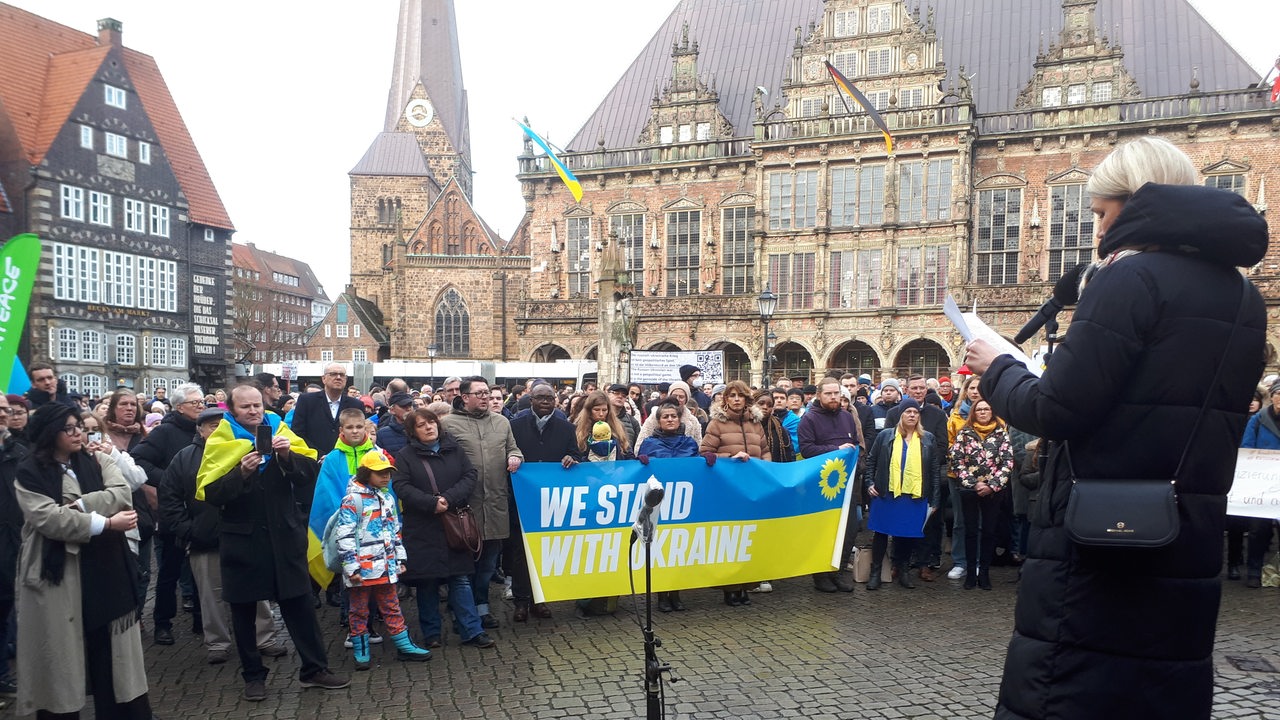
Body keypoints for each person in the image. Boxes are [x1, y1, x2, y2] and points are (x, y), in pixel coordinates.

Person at [964, 136, 1267, 720]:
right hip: (1183, 534)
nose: (1098, 233)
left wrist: (998, 368)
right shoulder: (1243, 297)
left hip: (1100, 540)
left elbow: (1057, 408)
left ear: (1137, 202)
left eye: (1102, 214)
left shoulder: (1131, 280)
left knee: (1067, 690)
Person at [197, 384, 348, 700]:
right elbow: (211, 494)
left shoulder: (281, 429)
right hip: (243, 541)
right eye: (245, 407)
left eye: (257, 405)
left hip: (284, 536)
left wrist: (286, 456)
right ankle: (253, 676)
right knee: (243, 612)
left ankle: (314, 669)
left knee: (301, 605)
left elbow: (308, 474)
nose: (253, 411)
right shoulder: (220, 441)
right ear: (232, 410)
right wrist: (241, 473)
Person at [14, 403, 151, 719]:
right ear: (51, 434)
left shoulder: (97, 459)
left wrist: (76, 506)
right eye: (71, 428)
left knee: (113, 659)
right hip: (58, 574)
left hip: (107, 572)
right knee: (60, 659)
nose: (79, 433)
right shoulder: (30, 471)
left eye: (81, 427)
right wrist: (105, 523)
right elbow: (48, 519)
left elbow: (121, 495)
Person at [158, 407, 282, 665]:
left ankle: (265, 638)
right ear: (200, 430)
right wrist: (187, 529)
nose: (216, 429)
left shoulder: (245, 449)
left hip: (244, 535)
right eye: (211, 425)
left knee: (255, 589)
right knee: (209, 594)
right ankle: (217, 643)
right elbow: (169, 496)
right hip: (205, 538)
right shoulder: (185, 457)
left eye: (221, 424)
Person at [393, 409, 495, 649]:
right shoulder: (405, 456)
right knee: (427, 582)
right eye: (421, 425)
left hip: (454, 524)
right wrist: (430, 504)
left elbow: (469, 476)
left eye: (431, 422)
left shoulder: (454, 449)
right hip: (422, 528)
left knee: (460, 579)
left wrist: (447, 499)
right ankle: (431, 633)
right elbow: (400, 485)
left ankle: (472, 630)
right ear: (412, 431)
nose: (429, 427)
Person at [438, 377, 522, 628]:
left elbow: (514, 449)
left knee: (487, 566)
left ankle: (482, 608)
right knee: (464, 566)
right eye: (480, 393)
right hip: (464, 508)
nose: (486, 397)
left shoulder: (502, 422)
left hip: (495, 505)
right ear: (465, 397)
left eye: (488, 393)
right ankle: (461, 611)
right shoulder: (448, 424)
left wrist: (515, 457)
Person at [336, 450, 431, 668]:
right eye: (380, 473)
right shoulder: (352, 500)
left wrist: (399, 559)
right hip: (362, 568)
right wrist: (352, 567)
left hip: (386, 567)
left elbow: (394, 530)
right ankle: (361, 650)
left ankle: (404, 645)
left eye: (388, 472)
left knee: (392, 606)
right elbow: (345, 535)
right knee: (359, 609)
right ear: (366, 473)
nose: (386, 476)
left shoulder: (387, 498)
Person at [129, 382, 205, 646]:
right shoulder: (164, 433)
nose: (200, 406)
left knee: (200, 567)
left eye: (202, 402)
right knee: (170, 570)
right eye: (195, 403)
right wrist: (170, 480)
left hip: (199, 509)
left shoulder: (206, 430)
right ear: (179, 406)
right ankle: (163, 623)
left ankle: (200, 617)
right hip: (173, 510)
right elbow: (137, 459)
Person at [508, 383, 581, 621]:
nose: (546, 402)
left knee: (544, 551)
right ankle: (521, 601)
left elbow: (576, 454)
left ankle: (541, 600)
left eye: (550, 398)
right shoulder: (515, 425)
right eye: (540, 398)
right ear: (531, 400)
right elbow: (506, 452)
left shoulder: (566, 427)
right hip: (522, 498)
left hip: (552, 501)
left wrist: (572, 458)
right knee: (520, 552)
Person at [313, 407, 388, 626]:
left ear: (365, 427)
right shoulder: (333, 459)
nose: (355, 431)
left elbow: (386, 487)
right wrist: (349, 515)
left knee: (374, 573)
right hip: (348, 527)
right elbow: (326, 493)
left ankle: (371, 618)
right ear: (341, 430)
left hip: (374, 526)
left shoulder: (376, 455)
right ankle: (350, 619)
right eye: (350, 427)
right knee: (351, 577)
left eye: (359, 427)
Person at [700, 380, 769, 606]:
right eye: (732, 395)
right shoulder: (716, 424)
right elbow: (705, 453)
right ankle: (730, 588)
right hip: (728, 489)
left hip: (753, 488)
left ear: (747, 398)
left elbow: (766, 450)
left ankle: (746, 584)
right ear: (725, 399)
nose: (736, 399)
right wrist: (729, 460)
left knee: (752, 538)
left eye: (740, 395)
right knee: (731, 539)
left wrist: (766, 468)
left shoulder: (756, 423)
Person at [862, 398, 941, 591]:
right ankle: (876, 572)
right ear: (901, 415)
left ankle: (903, 570)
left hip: (914, 495)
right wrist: (870, 482)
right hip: (886, 493)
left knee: (907, 534)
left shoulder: (927, 438)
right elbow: (871, 461)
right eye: (908, 412)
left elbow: (934, 470)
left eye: (915, 412)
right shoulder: (886, 436)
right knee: (881, 533)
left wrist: (935, 498)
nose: (912, 415)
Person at [798, 377, 863, 593]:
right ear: (819, 395)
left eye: (836, 393)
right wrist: (835, 450)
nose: (834, 397)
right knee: (824, 531)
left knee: (849, 529)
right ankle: (821, 575)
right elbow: (807, 449)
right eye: (828, 394)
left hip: (847, 483)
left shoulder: (847, 417)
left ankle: (839, 571)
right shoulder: (809, 419)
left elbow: (855, 443)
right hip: (822, 486)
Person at [886, 376, 950, 582]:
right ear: (906, 390)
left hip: (926, 477)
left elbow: (942, 445)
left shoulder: (938, 414)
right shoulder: (893, 413)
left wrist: (924, 464)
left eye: (922, 388)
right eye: (914, 388)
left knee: (928, 522)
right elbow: (887, 442)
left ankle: (925, 564)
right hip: (899, 477)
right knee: (899, 520)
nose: (918, 391)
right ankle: (898, 562)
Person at [949, 399, 1014, 590]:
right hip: (970, 490)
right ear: (974, 412)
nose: (983, 412)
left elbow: (1008, 462)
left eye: (987, 409)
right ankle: (970, 572)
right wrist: (973, 483)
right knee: (970, 531)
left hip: (993, 491)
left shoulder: (1002, 433)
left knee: (989, 531)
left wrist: (992, 485)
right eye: (979, 410)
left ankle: (984, 572)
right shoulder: (964, 434)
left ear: (992, 412)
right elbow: (957, 461)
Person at [1240, 382, 1280, 588]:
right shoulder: (1258, 420)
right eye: (1278, 394)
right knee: (1258, 529)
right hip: (1263, 483)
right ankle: (1254, 571)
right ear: (1272, 396)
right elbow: (1247, 447)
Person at [0, 394, 25, 696]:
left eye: (6, 410)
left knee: (5, 609)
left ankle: (3, 674)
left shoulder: (18, 452)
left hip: (13, 542)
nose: (4, 415)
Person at [291, 364, 366, 456]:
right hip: (313, 461)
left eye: (342, 375)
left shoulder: (356, 405)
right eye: (333, 374)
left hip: (345, 460)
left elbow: (361, 434)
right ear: (323, 379)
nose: (338, 377)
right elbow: (298, 433)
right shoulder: (307, 401)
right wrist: (318, 455)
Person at [634, 380, 703, 448]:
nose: (678, 399)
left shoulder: (693, 421)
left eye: (681, 397)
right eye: (674, 396)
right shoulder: (654, 416)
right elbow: (640, 444)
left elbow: (698, 446)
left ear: (686, 400)